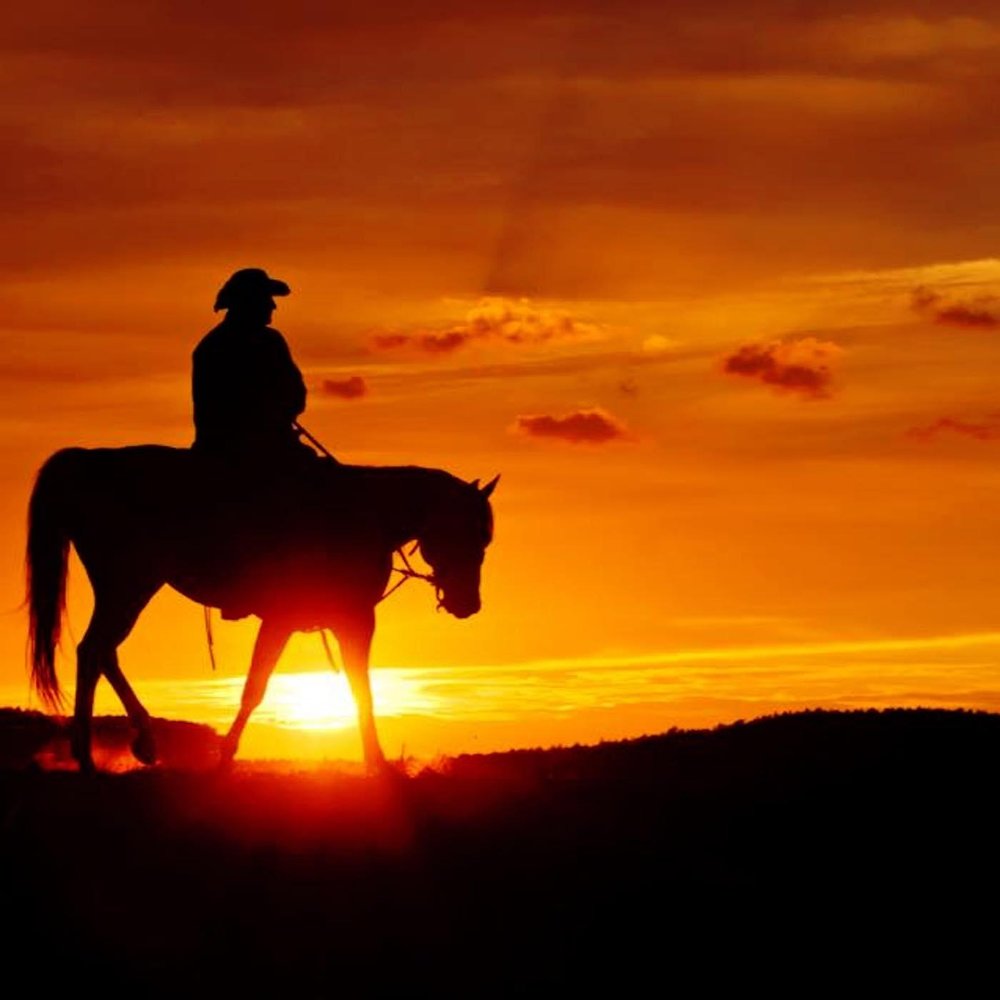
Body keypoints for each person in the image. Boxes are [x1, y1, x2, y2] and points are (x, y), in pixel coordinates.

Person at [192, 267, 315, 465]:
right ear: (248, 302)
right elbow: (226, 408)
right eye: (266, 298)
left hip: (268, 440)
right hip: (234, 447)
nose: (273, 305)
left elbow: (295, 392)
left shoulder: (271, 341)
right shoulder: (216, 347)